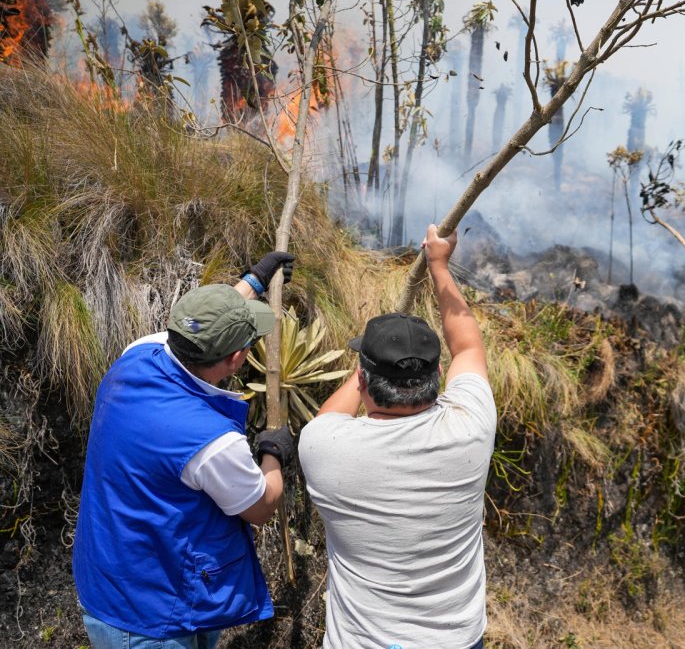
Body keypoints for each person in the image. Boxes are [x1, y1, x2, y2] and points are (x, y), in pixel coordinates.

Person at [73, 252, 297, 649]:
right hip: (153, 619)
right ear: (236, 358)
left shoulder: (140, 354)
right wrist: (273, 454)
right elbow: (261, 507)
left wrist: (255, 281)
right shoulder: (209, 440)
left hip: (113, 576)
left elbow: (200, 326)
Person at [299, 224, 496, 649]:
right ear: (438, 375)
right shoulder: (470, 426)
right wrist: (440, 264)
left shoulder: (323, 447)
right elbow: (468, 348)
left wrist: (364, 373)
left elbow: (327, 417)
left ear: (363, 380)